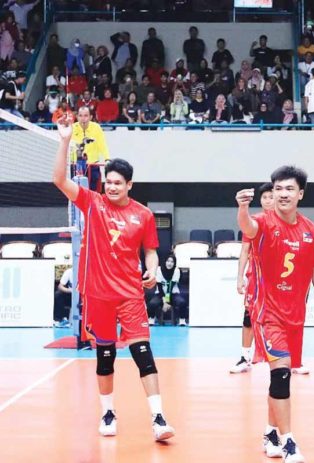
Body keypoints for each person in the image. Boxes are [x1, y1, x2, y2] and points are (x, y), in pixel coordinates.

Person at [51, 115, 175, 441]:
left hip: (131, 294)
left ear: (130, 185)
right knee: (105, 357)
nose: (112, 186)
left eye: (118, 182)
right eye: (108, 181)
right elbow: (59, 180)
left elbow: (150, 250)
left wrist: (153, 267)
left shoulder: (144, 215)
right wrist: (64, 141)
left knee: (142, 353)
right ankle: (108, 411)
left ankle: (158, 417)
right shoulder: (91, 203)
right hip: (97, 295)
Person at [235, 166, 314, 462]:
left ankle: (270, 430)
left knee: (280, 377)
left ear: (300, 194)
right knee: (281, 373)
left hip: (295, 316)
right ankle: (288, 441)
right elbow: (247, 227)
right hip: (267, 313)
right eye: (278, 188)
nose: (283, 194)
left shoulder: (312, 232)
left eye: (289, 189)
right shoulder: (263, 223)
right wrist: (242, 207)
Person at [230, 182, 275, 374]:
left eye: (271, 196)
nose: (268, 200)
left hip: (278, 278)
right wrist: (240, 277)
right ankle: (245, 357)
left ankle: (293, 359)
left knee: (283, 320)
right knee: (249, 317)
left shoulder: (288, 222)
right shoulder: (253, 221)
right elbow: (245, 251)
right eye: (264, 197)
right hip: (256, 278)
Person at [71, 106, 110, 191]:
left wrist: (107, 159)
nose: (83, 118)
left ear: (90, 117)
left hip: (92, 166)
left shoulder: (96, 128)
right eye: (80, 116)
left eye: (85, 116)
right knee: (76, 193)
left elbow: (102, 145)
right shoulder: (72, 128)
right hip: (75, 166)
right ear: (77, 117)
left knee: (93, 192)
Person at [147, 254, 188, 326]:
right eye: (168, 261)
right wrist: (164, 301)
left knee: (182, 302)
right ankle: (151, 318)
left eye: (172, 262)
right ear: (165, 261)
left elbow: (170, 287)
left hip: (173, 294)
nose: (170, 263)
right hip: (160, 294)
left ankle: (182, 320)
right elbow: (159, 286)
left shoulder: (176, 270)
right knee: (152, 304)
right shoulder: (159, 269)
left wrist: (166, 302)